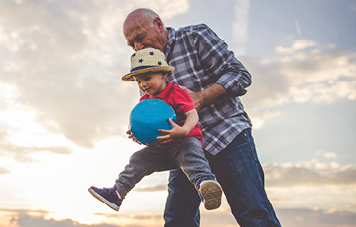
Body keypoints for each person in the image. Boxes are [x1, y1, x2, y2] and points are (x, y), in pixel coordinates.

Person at [123, 8, 282, 227]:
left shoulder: (195, 36)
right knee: (177, 221)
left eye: (140, 38)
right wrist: (142, 131)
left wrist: (201, 97)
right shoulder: (143, 66)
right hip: (184, 150)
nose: (138, 47)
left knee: (253, 215)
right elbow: (152, 112)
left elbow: (240, 75)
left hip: (228, 136)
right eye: (132, 45)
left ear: (159, 25)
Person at [88, 48, 223, 212]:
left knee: (191, 155)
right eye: (138, 81)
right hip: (161, 147)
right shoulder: (145, 100)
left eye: (147, 78)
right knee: (137, 159)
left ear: (164, 74)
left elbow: (192, 114)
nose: (142, 84)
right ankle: (117, 194)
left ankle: (205, 186)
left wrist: (184, 130)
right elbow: (144, 123)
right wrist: (137, 133)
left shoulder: (176, 92)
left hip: (183, 141)